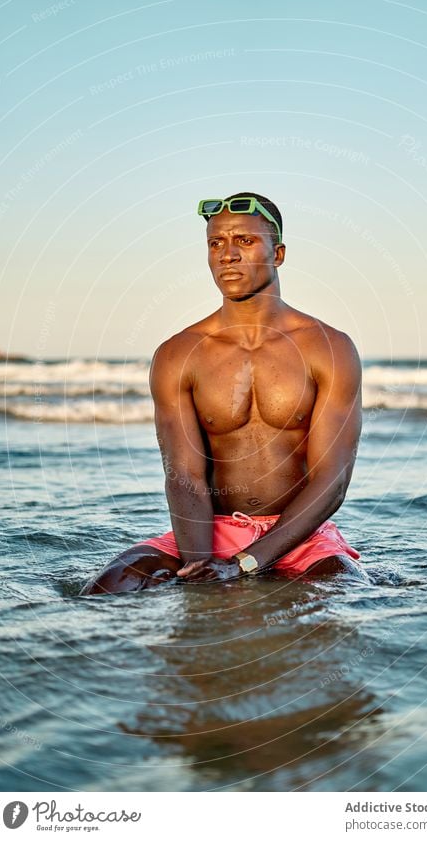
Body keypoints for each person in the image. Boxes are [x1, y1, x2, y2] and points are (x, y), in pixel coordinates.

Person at [80, 193, 362, 595]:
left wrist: (247, 564)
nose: (227, 255)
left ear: (278, 253)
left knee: (350, 596)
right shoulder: (179, 353)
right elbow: (184, 477)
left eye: (244, 241)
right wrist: (201, 567)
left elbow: (332, 480)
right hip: (208, 532)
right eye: (216, 243)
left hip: (299, 537)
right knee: (105, 590)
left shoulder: (328, 348)